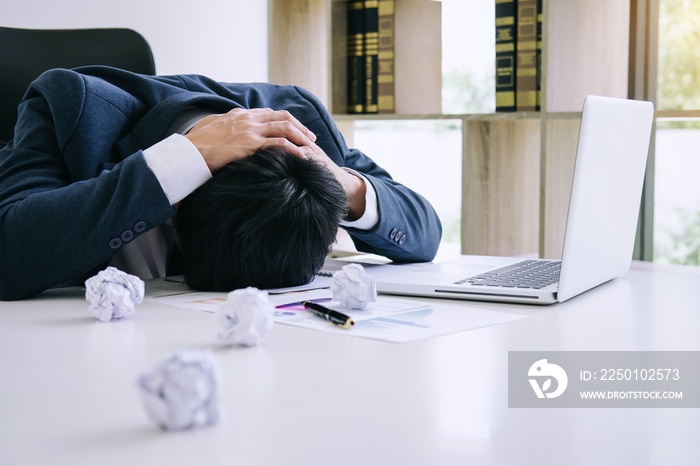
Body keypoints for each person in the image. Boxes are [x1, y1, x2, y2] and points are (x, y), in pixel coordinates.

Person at [0, 66, 442, 300]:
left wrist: (340, 184)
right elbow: (10, 252)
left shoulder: (302, 122)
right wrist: (182, 162)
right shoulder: (69, 107)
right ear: (176, 220)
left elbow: (426, 232)